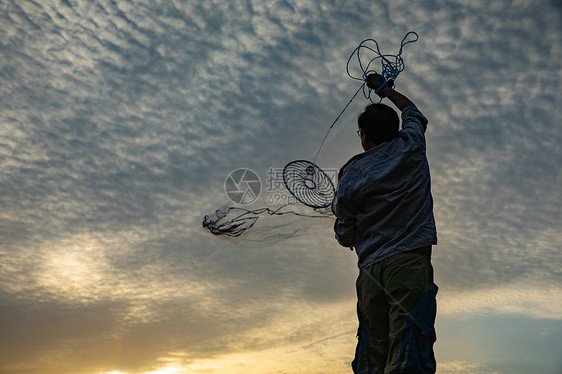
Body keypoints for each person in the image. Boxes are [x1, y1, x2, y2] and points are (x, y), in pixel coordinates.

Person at [332, 73, 438, 373]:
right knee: (408, 356)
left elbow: (344, 234)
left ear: (363, 136)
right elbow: (413, 112)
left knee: (371, 358)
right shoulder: (412, 145)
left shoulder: (351, 173)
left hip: (369, 277)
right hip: (409, 266)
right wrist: (383, 89)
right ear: (395, 130)